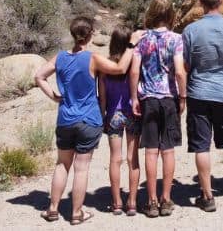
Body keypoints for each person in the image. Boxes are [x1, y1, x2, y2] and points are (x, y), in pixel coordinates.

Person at [34, 17, 142, 225]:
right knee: (81, 168)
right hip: (88, 119)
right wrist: (131, 45)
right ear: (91, 33)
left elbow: (39, 76)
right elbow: (120, 69)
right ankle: (76, 213)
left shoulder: (59, 58)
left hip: (65, 118)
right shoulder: (93, 58)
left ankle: (53, 208)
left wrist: (55, 96)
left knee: (62, 164)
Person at [182, 0, 223, 212]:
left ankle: (207, 196)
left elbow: (186, 64)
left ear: (201, 2)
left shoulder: (190, 31)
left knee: (201, 146)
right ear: (220, 1)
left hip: (198, 92)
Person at [130, 0, 186, 218]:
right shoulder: (176, 39)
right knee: (168, 149)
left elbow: (134, 71)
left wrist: (134, 97)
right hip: (169, 98)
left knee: (151, 150)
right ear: (170, 14)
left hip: (149, 99)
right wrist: (183, 97)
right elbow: (180, 71)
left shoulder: (142, 40)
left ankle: (151, 201)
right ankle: (166, 198)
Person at [99, 25, 143, 216]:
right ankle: (132, 202)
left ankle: (116, 202)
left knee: (115, 159)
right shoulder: (134, 62)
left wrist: (102, 117)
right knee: (133, 159)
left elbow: (102, 96)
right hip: (132, 113)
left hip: (113, 115)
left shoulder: (105, 66)